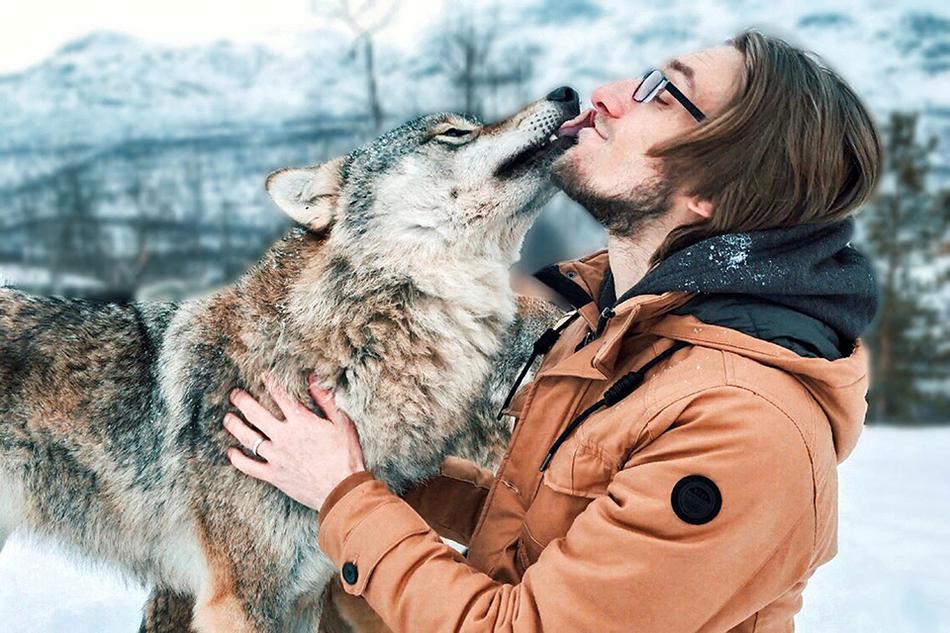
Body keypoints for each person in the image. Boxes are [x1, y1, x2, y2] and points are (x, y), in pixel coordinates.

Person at [222, 30, 881, 632]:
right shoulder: (624, 326)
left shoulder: (741, 426)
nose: (609, 94)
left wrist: (344, 494)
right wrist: (370, 470)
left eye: (664, 93)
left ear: (718, 188)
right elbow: (539, 526)